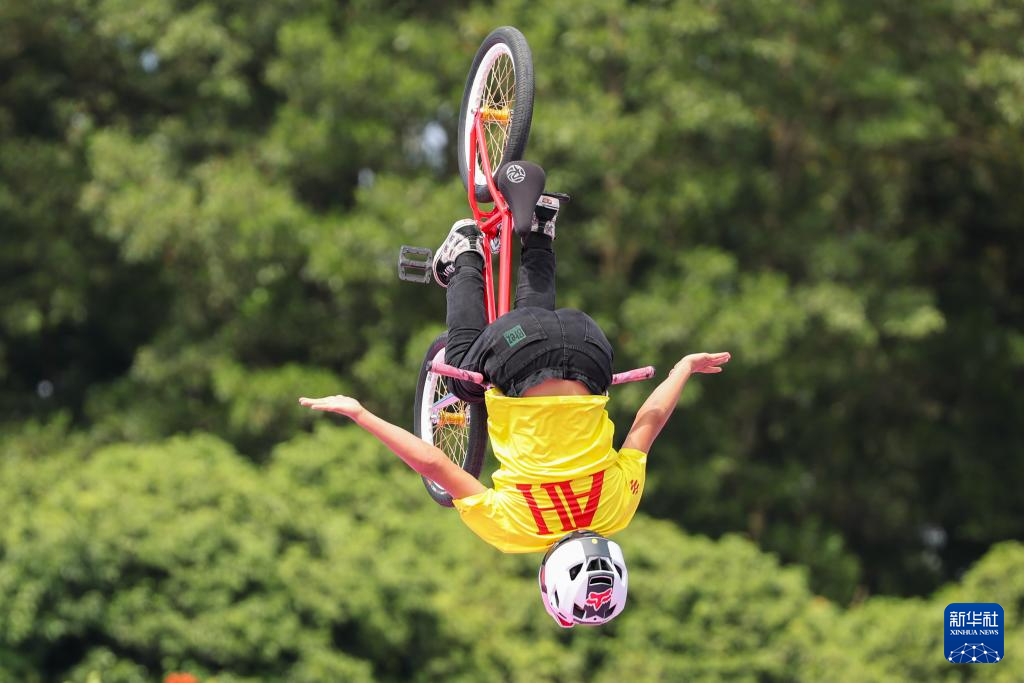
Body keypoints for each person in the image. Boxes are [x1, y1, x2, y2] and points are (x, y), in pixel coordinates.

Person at [300, 183, 730, 627]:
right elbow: (434, 464)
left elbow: (648, 423)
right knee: (464, 377)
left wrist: (683, 368)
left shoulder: (621, 508)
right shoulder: (514, 533)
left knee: (536, 329)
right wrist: (361, 414)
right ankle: (466, 253)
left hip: (589, 345)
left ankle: (541, 228)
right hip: (517, 352)